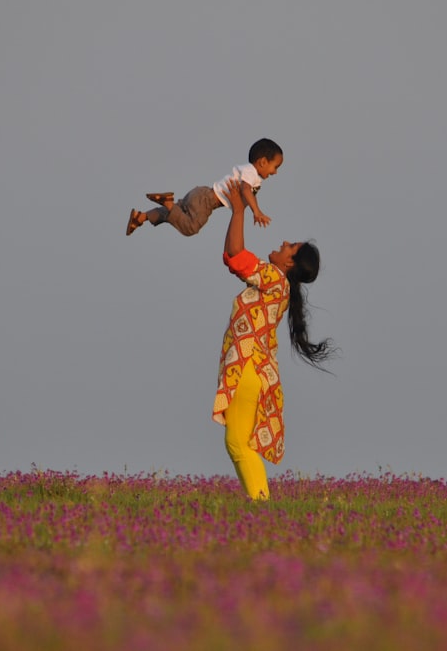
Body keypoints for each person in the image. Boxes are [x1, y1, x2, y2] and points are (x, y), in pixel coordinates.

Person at [214, 178, 335, 501]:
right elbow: (232, 258)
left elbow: (236, 254)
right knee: (238, 443)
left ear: (289, 263)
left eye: (290, 247)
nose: (283, 243)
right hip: (254, 371)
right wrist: (237, 211)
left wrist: (238, 210)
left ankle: (261, 506)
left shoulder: (273, 277)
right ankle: (260, 505)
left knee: (238, 444)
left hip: (249, 370)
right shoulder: (276, 284)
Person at [125, 138, 283, 236]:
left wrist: (256, 209)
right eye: (275, 167)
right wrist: (257, 212)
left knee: (174, 213)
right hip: (206, 201)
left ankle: (141, 217)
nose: (275, 172)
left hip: (201, 193)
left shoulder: (252, 177)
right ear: (262, 162)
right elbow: (246, 190)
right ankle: (167, 203)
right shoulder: (251, 172)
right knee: (190, 228)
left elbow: (251, 195)